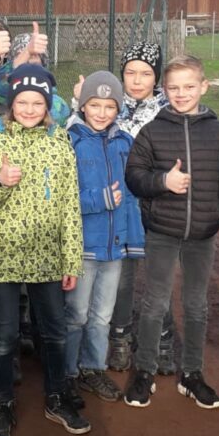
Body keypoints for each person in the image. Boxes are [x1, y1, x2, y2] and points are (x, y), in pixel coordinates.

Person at [0, 63, 86, 436]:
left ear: (47, 105)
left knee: (53, 332)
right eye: (23, 101)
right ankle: (1, 402)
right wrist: (0, 182)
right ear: (11, 103)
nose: (30, 109)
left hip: (48, 256)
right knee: (3, 335)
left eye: (38, 102)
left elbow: (70, 205)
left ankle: (55, 396)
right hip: (1, 255)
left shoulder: (59, 142)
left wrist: (71, 260)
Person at [123, 55, 219, 409]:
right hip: (161, 230)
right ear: (164, 91)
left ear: (204, 87)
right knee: (155, 302)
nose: (181, 93)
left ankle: (192, 374)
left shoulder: (218, 131)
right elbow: (134, 176)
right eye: (173, 88)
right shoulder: (153, 130)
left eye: (189, 86)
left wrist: (218, 215)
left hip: (202, 234)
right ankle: (144, 371)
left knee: (196, 305)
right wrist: (163, 182)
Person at [65, 71, 144, 403]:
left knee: (101, 315)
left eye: (109, 106)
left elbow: (132, 196)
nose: (101, 112)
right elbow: (60, 199)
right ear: (83, 106)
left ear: (118, 108)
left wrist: (134, 238)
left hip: (115, 247)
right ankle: (68, 372)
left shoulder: (125, 142)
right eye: (94, 105)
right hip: (83, 246)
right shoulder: (70, 140)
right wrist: (98, 200)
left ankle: (92, 367)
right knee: (77, 314)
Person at [100, 41, 174, 374]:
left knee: (159, 279)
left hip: (158, 205)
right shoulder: (109, 108)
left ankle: (163, 339)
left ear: (156, 76)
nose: (137, 79)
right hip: (121, 207)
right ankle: (120, 338)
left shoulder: (169, 111)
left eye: (145, 73)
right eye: (130, 72)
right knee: (123, 280)